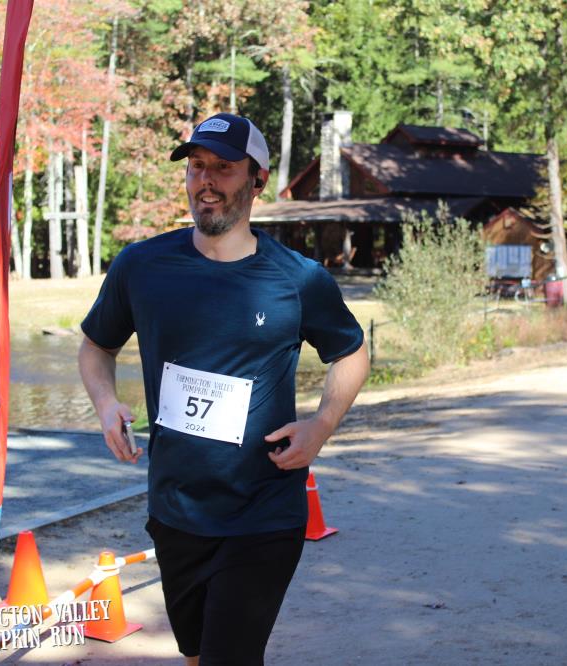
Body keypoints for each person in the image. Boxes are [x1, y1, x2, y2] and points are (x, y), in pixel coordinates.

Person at [78, 112, 370, 666]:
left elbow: (351, 352)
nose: (205, 181)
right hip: (175, 509)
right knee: (196, 655)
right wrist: (106, 402)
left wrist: (321, 425)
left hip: (264, 510)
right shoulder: (142, 266)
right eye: (196, 167)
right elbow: (96, 346)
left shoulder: (297, 279)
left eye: (223, 168)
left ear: (257, 180)